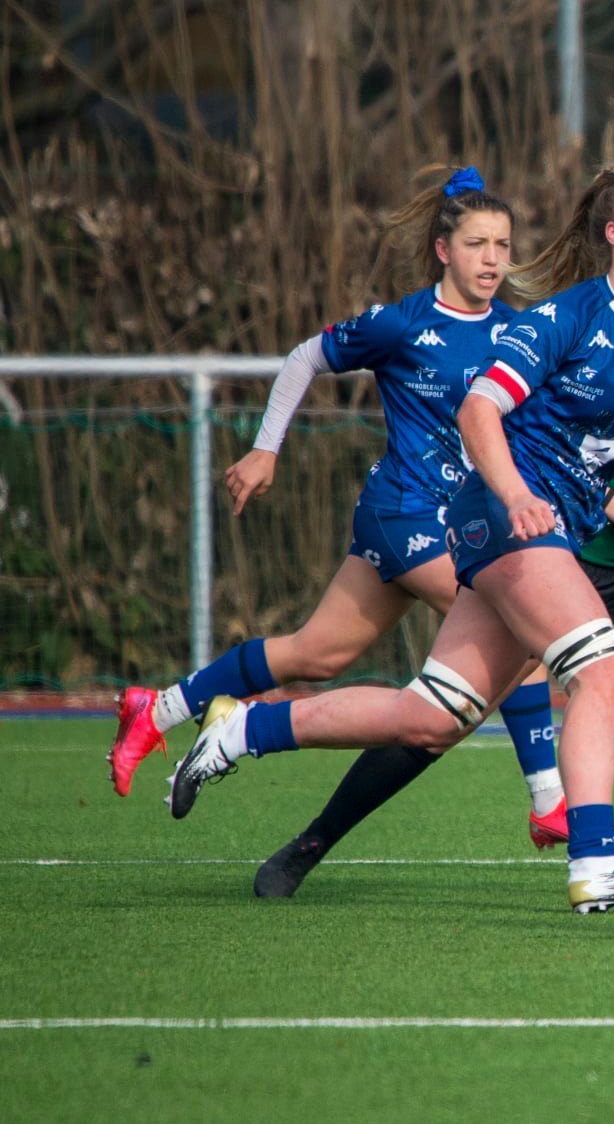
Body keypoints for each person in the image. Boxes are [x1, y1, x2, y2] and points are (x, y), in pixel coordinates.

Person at [166, 163, 614, 917]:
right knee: (604, 674)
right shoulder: (564, 317)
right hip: (503, 515)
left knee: (430, 716)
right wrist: (519, 495)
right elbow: (479, 412)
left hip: (552, 525)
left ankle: (244, 729)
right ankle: (592, 861)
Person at [251, 245, 614, 903]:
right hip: (546, 558)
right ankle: (314, 840)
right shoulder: (590, 341)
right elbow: (534, 432)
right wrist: (604, 496)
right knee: (436, 720)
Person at [105, 165, 564, 840]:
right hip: (404, 513)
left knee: (313, 655)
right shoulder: (403, 323)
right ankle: (549, 802)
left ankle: (160, 708)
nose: (493, 258)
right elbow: (304, 357)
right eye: (477, 244)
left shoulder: (518, 332)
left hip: (453, 526)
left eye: (503, 244)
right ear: (443, 249)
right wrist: (266, 448)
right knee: (516, 622)